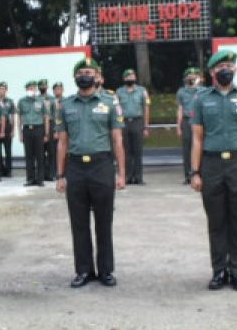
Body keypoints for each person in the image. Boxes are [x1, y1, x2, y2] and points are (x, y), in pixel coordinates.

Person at [189, 50, 237, 291]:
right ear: (212, 72)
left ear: (236, 70)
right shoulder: (201, 99)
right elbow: (197, 139)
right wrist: (195, 172)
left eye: (230, 65)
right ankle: (219, 270)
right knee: (217, 221)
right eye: (221, 66)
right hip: (211, 165)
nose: (226, 69)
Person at [56, 58, 127, 287]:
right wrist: (60, 175)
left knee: (104, 221)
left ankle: (106, 270)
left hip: (102, 166)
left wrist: (121, 173)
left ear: (97, 76)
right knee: (79, 223)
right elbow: (62, 142)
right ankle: (84, 271)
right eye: (81, 72)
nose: (84, 75)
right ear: (75, 77)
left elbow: (117, 139)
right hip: (76, 168)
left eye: (89, 72)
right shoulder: (66, 105)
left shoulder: (109, 102)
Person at [115, 68, 150, 185]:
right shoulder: (119, 92)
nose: (130, 78)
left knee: (138, 151)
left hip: (137, 121)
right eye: (128, 76)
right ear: (124, 79)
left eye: (132, 76)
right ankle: (127, 177)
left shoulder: (142, 91)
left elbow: (146, 108)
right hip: (124, 122)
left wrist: (146, 126)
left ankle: (138, 177)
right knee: (126, 150)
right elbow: (117, 109)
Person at [176, 67, 204, 184]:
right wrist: (178, 126)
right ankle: (188, 175)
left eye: (194, 76)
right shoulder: (181, 92)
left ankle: (201, 173)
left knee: (201, 147)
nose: (192, 78)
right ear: (185, 78)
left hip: (200, 121)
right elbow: (180, 109)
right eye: (189, 76)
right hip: (187, 121)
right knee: (187, 149)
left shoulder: (203, 91)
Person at [18, 80, 48, 185]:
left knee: (40, 155)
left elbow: (45, 117)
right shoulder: (22, 101)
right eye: (29, 88)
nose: (31, 90)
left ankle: (40, 179)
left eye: (33, 88)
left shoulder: (41, 101)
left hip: (38, 129)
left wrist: (46, 133)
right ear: (26, 90)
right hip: (26, 129)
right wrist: (20, 133)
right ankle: (30, 179)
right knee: (28, 155)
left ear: (36, 89)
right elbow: (20, 117)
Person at [0, 81, 15, 177]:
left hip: (7, 126)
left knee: (8, 150)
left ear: (6, 90)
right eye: (0, 89)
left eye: (3, 89)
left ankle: (8, 170)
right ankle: (0, 169)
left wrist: (12, 130)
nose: (1, 91)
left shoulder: (10, 101)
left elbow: (12, 116)